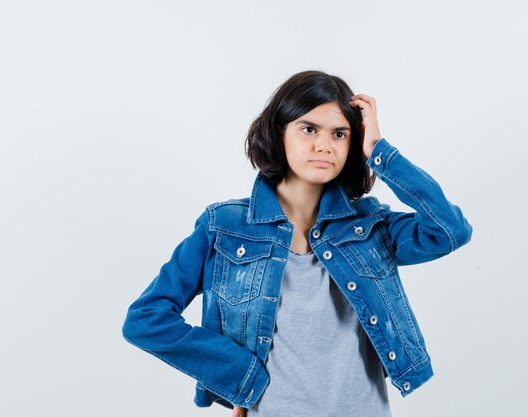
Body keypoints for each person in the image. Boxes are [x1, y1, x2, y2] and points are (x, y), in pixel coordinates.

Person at [122, 70, 473, 417]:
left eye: (340, 133)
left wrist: (379, 152)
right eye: (308, 129)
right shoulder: (224, 227)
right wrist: (238, 373)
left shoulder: (371, 224)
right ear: (280, 134)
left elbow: (449, 231)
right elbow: (146, 319)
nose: (324, 145)